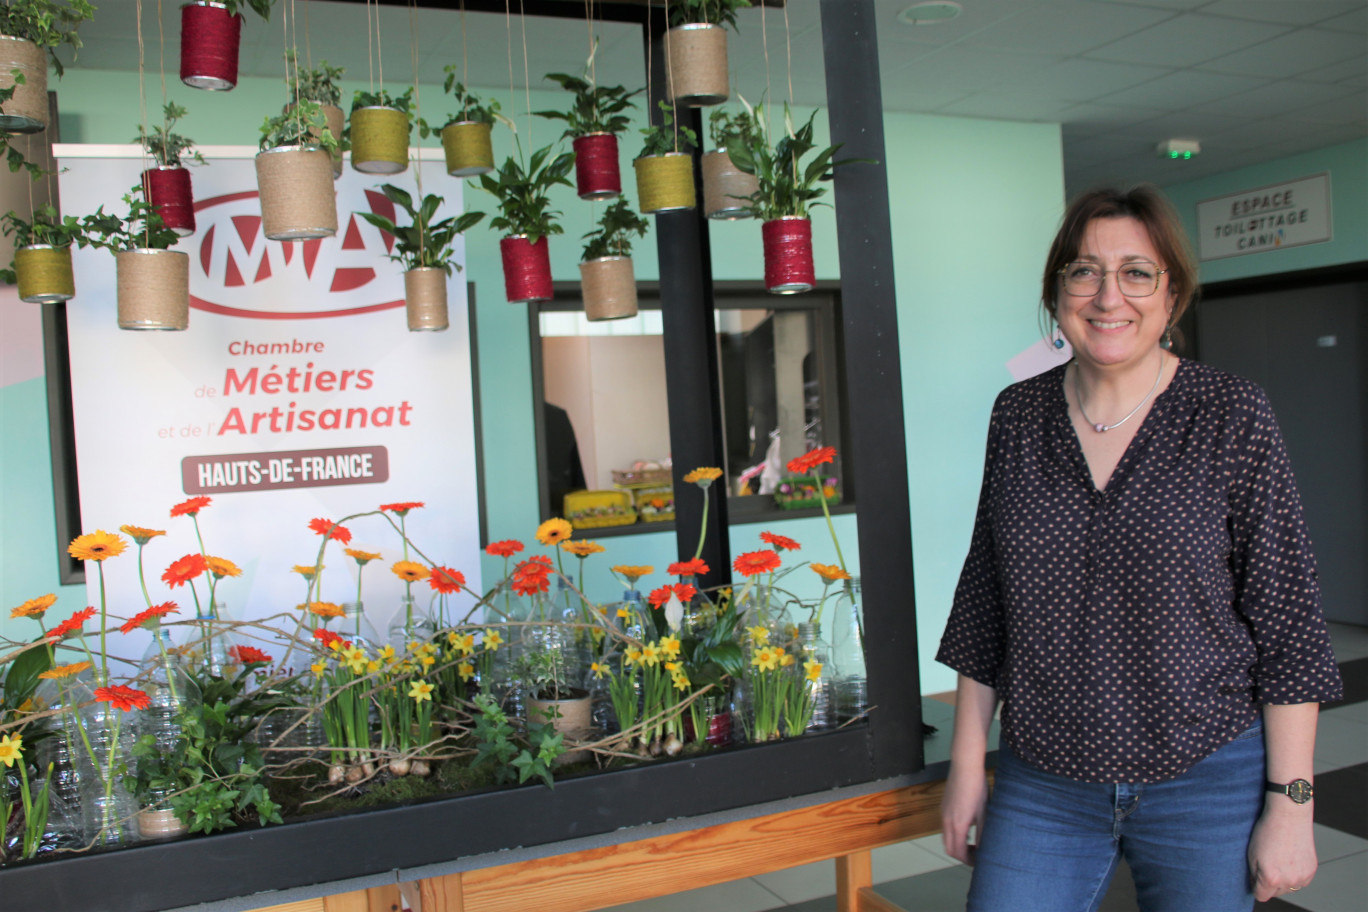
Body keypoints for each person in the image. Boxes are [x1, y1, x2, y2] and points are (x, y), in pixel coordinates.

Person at [936, 185, 1343, 912]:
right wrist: (968, 767)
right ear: (1058, 290)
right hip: (1044, 777)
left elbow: (1287, 620)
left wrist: (1293, 803)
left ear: (1172, 293)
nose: (1107, 295)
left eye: (1136, 272)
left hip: (1207, 773)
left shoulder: (1230, 414)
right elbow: (985, 599)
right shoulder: (1019, 416)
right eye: (1084, 271)